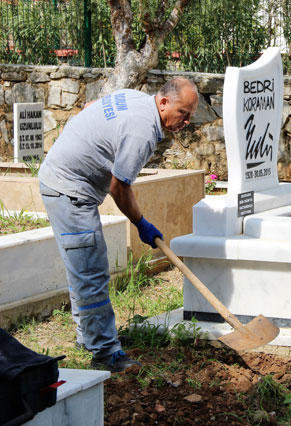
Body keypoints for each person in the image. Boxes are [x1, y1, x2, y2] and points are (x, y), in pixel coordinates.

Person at [38, 77, 199, 372]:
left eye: (189, 116)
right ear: (164, 102)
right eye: (183, 113)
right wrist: (141, 223)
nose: (186, 122)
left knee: (83, 268)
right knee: (91, 271)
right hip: (69, 191)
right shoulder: (143, 132)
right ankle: (105, 352)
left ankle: (89, 337)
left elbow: (90, 107)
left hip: (61, 180)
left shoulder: (134, 97)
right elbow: (119, 187)